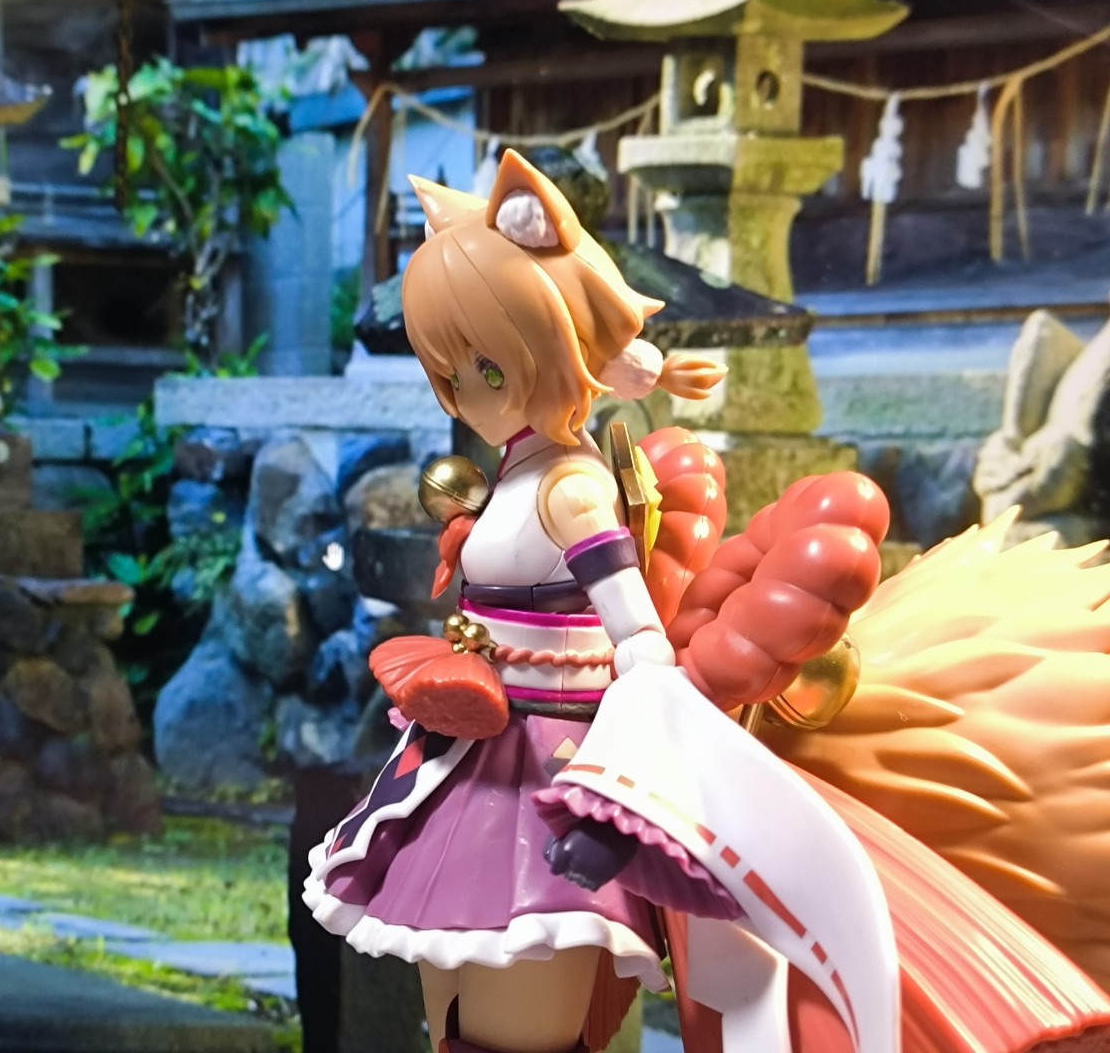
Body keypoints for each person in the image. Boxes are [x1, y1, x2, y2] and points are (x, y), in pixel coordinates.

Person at [304, 151, 1110, 1053]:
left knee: (511, 1019)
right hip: (476, 761)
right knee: (456, 1006)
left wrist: (623, 797)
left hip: (545, 771)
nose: (464, 394)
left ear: (550, 347)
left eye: (484, 370)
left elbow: (641, 646)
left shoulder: (571, 490)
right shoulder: (529, 467)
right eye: (450, 374)